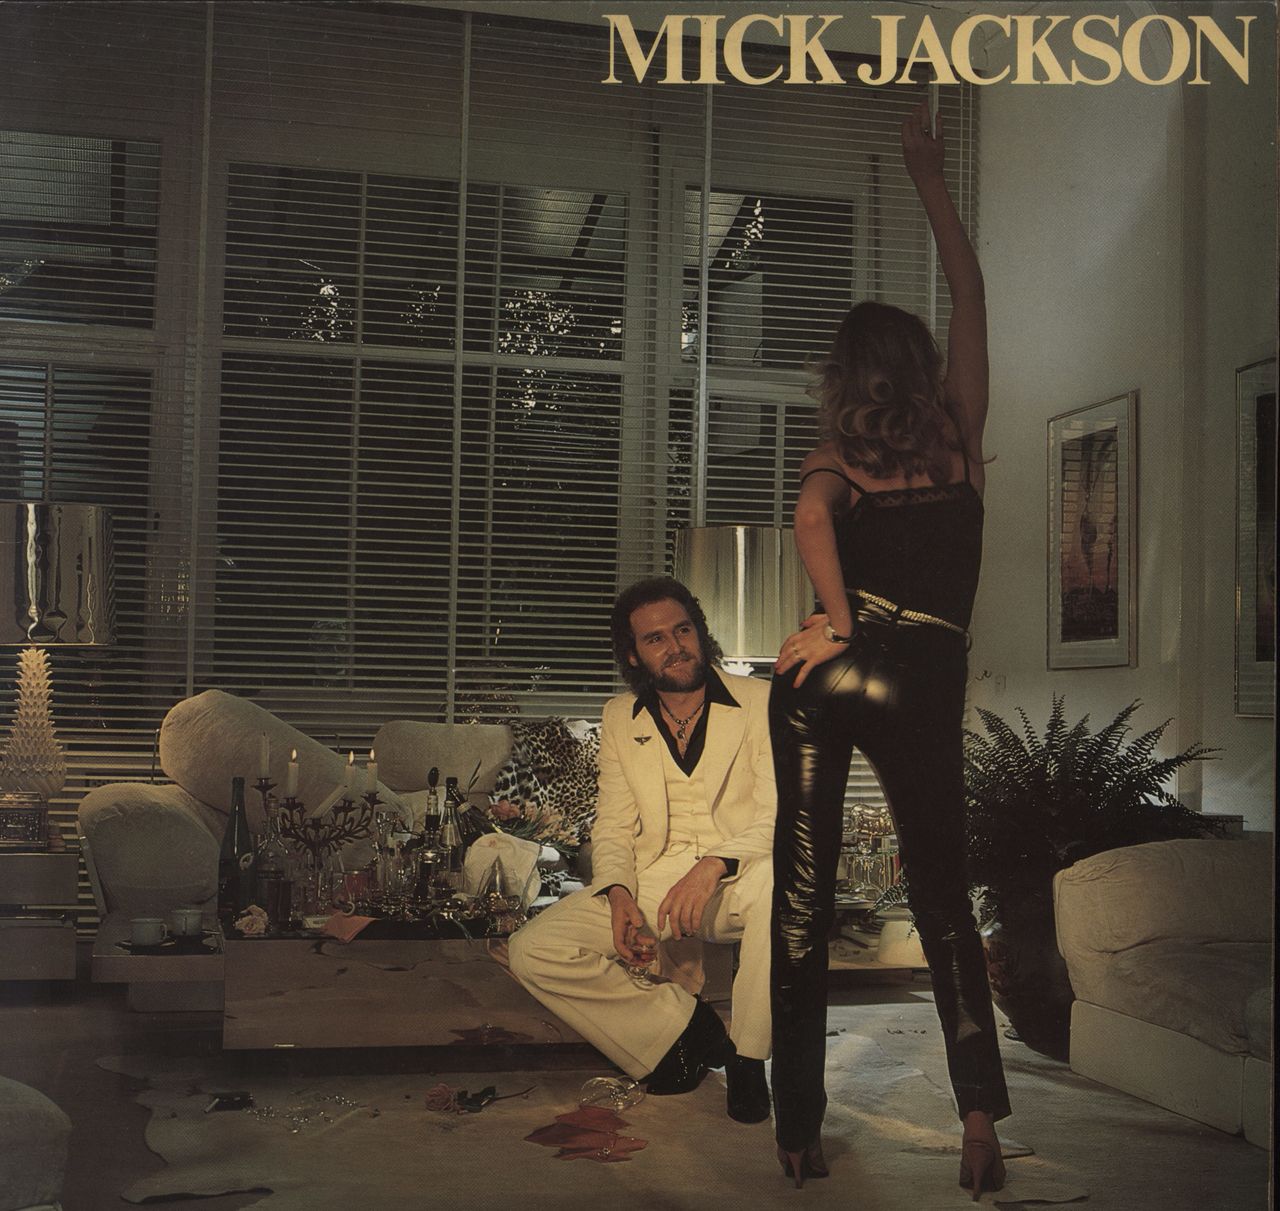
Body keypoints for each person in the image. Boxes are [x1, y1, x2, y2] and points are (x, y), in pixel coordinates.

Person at [767, 100, 1011, 1194]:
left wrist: (837, 621)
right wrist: (928, 180)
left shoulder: (835, 454)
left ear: (844, 375)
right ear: (917, 366)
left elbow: (810, 517)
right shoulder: (958, 436)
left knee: (802, 898)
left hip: (827, 675)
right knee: (943, 896)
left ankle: (795, 1131)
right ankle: (978, 1122)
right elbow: (970, 293)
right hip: (925, 677)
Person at [509, 576, 776, 1124]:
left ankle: (749, 1058)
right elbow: (613, 826)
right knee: (533, 948)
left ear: (699, 633)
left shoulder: (762, 702)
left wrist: (714, 864)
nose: (676, 646)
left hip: (742, 872)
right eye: (656, 639)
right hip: (659, 876)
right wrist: (619, 892)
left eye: (683, 630)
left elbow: (783, 812)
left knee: (782, 889)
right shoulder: (618, 715)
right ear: (633, 654)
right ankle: (684, 1028)